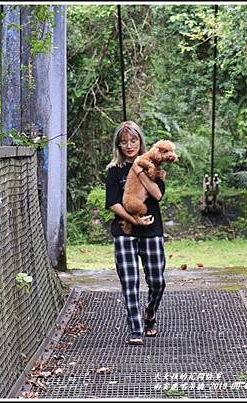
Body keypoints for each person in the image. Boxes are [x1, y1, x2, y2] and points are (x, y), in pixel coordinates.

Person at [104, 121, 167, 345]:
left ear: (140, 141)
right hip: (125, 231)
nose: (129, 146)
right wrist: (134, 220)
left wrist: (139, 171)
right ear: (118, 146)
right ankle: (136, 329)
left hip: (152, 231)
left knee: (157, 281)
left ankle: (149, 315)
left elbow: (157, 195)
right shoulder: (114, 171)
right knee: (129, 282)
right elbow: (112, 202)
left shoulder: (155, 166)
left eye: (133, 141)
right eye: (123, 142)